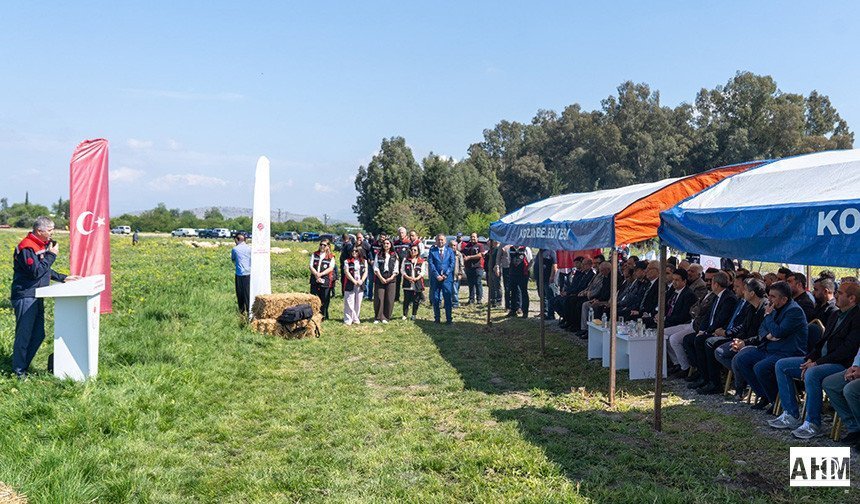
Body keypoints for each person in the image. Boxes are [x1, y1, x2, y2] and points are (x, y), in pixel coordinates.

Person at [770, 281, 860, 439]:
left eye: (840, 293)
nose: (836, 295)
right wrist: (811, 357)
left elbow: (847, 350)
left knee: (812, 373)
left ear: (852, 298)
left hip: (841, 364)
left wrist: (817, 363)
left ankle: (812, 423)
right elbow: (821, 343)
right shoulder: (835, 314)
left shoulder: (857, 317)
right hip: (821, 361)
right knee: (782, 365)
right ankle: (790, 414)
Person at [11, 217, 79, 378]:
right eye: (50, 230)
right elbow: (35, 272)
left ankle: (23, 367)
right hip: (25, 296)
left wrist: (63, 277)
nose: (52, 233)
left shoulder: (40, 245)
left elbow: (43, 270)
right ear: (39, 231)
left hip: (37, 295)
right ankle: (18, 372)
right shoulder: (27, 246)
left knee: (38, 334)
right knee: (24, 335)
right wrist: (51, 255)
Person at [733, 281, 808, 413]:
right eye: (769, 295)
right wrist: (768, 335)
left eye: (773, 296)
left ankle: (776, 401)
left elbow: (778, 332)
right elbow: (762, 329)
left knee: (761, 367)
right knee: (741, 359)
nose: (769, 299)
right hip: (770, 348)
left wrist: (768, 317)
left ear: (784, 299)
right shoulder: (773, 307)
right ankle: (764, 395)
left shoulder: (794, 311)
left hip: (786, 352)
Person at [714, 278, 769, 399]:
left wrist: (744, 343)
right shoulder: (750, 307)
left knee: (737, 359)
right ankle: (746, 376)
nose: (743, 293)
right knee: (720, 352)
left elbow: (762, 335)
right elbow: (744, 328)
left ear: (752, 293)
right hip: (745, 341)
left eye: (745, 290)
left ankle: (740, 388)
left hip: (758, 344)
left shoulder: (765, 309)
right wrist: (738, 340)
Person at [428, 234, 455, 324]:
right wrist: (437, 275)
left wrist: (446, 275)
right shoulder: (432, 251)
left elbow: (452, 263)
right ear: (436, 241)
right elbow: (431, 264)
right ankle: (437, 318)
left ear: (445, 241)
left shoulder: (450, 251)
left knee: (447, 298)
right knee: (435, 298)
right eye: (438, 240)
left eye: (442, 240)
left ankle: (449, 319)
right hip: (436, 279)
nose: (440, 241)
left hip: (447, 279)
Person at [373, 238, 399, 324]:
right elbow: (375, 267)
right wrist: (381, 278)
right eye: (384, 243)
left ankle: (386, 317)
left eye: (388, 243)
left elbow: (396, 268)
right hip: (380, 278)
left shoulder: (395, 255)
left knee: (389, 298)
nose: (386, 245)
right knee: (379, 298)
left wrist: (391, 278)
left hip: (391, 279)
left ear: (391, 245)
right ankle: (377, 317)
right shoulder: (378, 254)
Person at [309, 239, 336, 320]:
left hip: (325, 279)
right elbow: (311, 266)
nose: (322, 246)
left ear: (328, 246)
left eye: (324, 245)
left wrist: (321, 274)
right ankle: (314, 314)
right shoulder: (315, 254)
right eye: (321, 244)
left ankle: (323, 315)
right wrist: (316, 275)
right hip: (315, 278)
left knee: (324, 299)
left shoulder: (331, 256)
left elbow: (331, 268)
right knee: (314, 297)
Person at [343, 246, 368, 325]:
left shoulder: (364, 261)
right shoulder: (347, 261)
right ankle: (348, 319)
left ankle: (356, 318)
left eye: (356, 251)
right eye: (353, 251)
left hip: (360, 283)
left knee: (358, 302)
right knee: (349, 302)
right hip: (350, 282)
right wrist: (354, 281)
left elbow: (365, 272)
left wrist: (361, 280)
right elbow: (346, 272)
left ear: (359, 252)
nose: (354, 252)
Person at [506, 245, 533, 318]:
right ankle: (513, 310)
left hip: (523, 274)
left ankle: (525, 312)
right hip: (513, 273)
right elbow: (509, 260)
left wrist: (526, 269)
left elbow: (531, 260)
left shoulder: (526, 248)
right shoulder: (510, 249)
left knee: (524, 292)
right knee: (513, 292)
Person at [401, 244, 425, 320]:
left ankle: (414, 314)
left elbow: (423, 272)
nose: (413, 251)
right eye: (411, 250)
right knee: (406, 300)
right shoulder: (405, 260)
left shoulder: (421, 261)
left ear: (418, 252)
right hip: (407, 283)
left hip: (417, 284)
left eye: (415, 250)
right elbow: (402, 271)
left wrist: (417, 278)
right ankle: (405, 314)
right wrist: (408, 277)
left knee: (416, 300)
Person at [460, 233, 486, 305]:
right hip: (469, 267)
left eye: (474, 237)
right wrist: (463, 256)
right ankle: (471, 299)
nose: (473, 238)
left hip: (478, 267)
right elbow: (462, 253)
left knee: (478, 283)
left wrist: (469, 257)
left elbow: (480, 255)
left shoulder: (480, 245)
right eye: (471, 237)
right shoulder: (467, 246)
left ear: (477, 238)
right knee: (470, 284)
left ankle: (479, 299)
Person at [231, 232, 252, 315]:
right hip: (249, 274)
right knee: (248, 293)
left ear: (237, 239)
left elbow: (233, 259)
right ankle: (249, 310)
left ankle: (241, 311)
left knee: (240, 293)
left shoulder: (235, 249)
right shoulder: (250, 248)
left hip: (239, 274)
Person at [393, 227, 410, 302]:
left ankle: (408, 299)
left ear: (405, 233)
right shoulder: (395, 243)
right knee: (397, 281)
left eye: (402, 232)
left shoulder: (409, 243)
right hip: (398, 264)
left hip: (406, 265)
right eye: (399, 232)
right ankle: (396, 297)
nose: (401, 234)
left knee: (407, 281)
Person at [449, 239, 465, 308]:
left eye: (455, 245)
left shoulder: (459, 254)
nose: (453, 247)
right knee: (448, 291)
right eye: (452, 245)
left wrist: (460, 273)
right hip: (448, 275)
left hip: (456, 275)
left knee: (455, 291)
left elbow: (461, 265)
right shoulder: (446, 253)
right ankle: (448, 303)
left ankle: (455, 303)